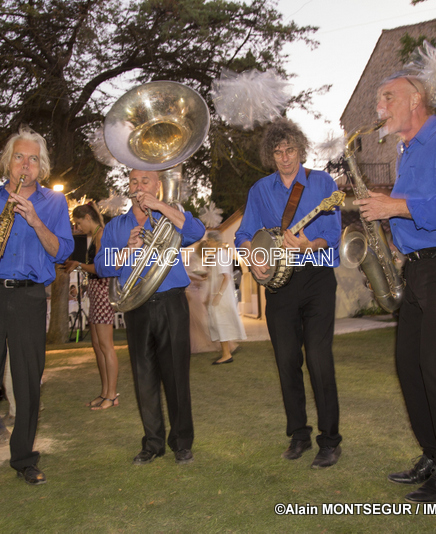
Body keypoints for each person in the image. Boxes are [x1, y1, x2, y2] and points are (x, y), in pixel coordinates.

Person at [354, 72, 436, 503]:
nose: (380, 107)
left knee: (435, 368)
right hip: (416, 269)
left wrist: (394, 205)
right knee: (409, 367)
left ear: (416, 100)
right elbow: (413, 215)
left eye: (387, 97)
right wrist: (391, 243)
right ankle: (432, 455)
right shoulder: (407, 152)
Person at [0, 126, 74, 502]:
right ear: (8, 161)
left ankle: (23, 458)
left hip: (29, 297)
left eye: (33, 159)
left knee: (27, 382)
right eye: (20, 157)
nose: (26, 164)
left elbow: (61, 251)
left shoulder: (54, 203)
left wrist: (36, 221)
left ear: (42, 166)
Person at [235, 117, 343, 469]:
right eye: (278, 151)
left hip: (316, 278)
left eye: (290, 150)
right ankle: (298, 435)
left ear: (300, 149)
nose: (285, 157)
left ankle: (330, 441)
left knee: (319, 358)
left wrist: (310, 244)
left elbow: (333, 233)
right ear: (271, 155)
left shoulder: (322, 182)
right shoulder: (260, 190)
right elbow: (244, 235)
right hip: (280, 287)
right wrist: (253, 258)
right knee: (286, 360)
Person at [96, 168, 205, 466]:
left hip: (171, 302)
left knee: (176, 376)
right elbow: (101, 266)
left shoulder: (170, 216)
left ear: (157, 185)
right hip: (136, 307)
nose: (139, 186)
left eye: (145, 181)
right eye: (134, 181)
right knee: (143, 376)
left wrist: (160, 207)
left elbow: (196, 232)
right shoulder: (116, 226)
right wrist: (126, 251)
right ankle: (153, 443)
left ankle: (182, 443)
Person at [64, 203, 119, 411]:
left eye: (79, 223)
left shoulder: (101, 235)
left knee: (106, 346)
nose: (78, 228)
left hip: (103, 292)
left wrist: (78, 265)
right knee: (97, 345)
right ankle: (105, 392)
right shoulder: (96, 235)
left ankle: (112, 395)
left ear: (88, 217)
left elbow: (101, 268)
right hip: (96, 291)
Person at [198, 232, 246, 364]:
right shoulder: (218, 255)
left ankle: (226, 354)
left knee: (221, 324)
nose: (207, 243)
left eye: (209, 240)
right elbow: (219, 275)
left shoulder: (221, 255)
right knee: (219, 324)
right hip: (218, 295)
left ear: (215, 241)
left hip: (222, 297)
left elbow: (227, 277)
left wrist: (218, 295)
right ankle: (226, 352)